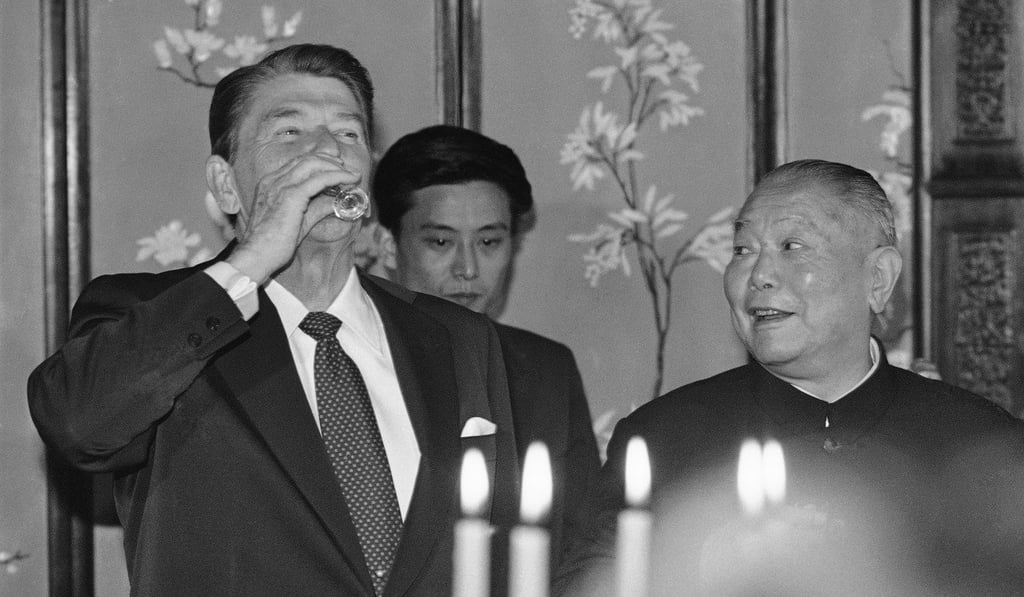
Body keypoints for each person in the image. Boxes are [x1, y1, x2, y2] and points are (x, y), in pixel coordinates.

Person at [28, 44, 521, 597]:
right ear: (225, 186)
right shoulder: (146, 314)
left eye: (348, 133)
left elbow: (496, 546)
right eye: (290, 134)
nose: (326, 151)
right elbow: (82, 426)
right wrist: (256, 254)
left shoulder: (457, 335)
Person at [554, 159, 1024, 595]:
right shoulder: (661, 439)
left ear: (878, 279)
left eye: (792, 246)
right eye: (742, 249)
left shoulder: (978, 442)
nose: (758, 274)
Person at [372, 124, 601, 566]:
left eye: (489, 241)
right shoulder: (343, 361)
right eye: (440, 242)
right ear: (387, 243)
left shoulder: (544, 368)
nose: (469, 269)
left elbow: (578, 546)